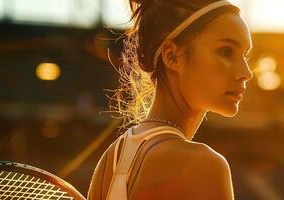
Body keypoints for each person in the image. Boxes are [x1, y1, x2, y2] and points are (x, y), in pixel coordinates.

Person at [88, 0, 252, 199]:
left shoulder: (110, 160)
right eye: (226, 51)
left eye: (245, 55)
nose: (246, 73)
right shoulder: (203, 164)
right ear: (172, 56)